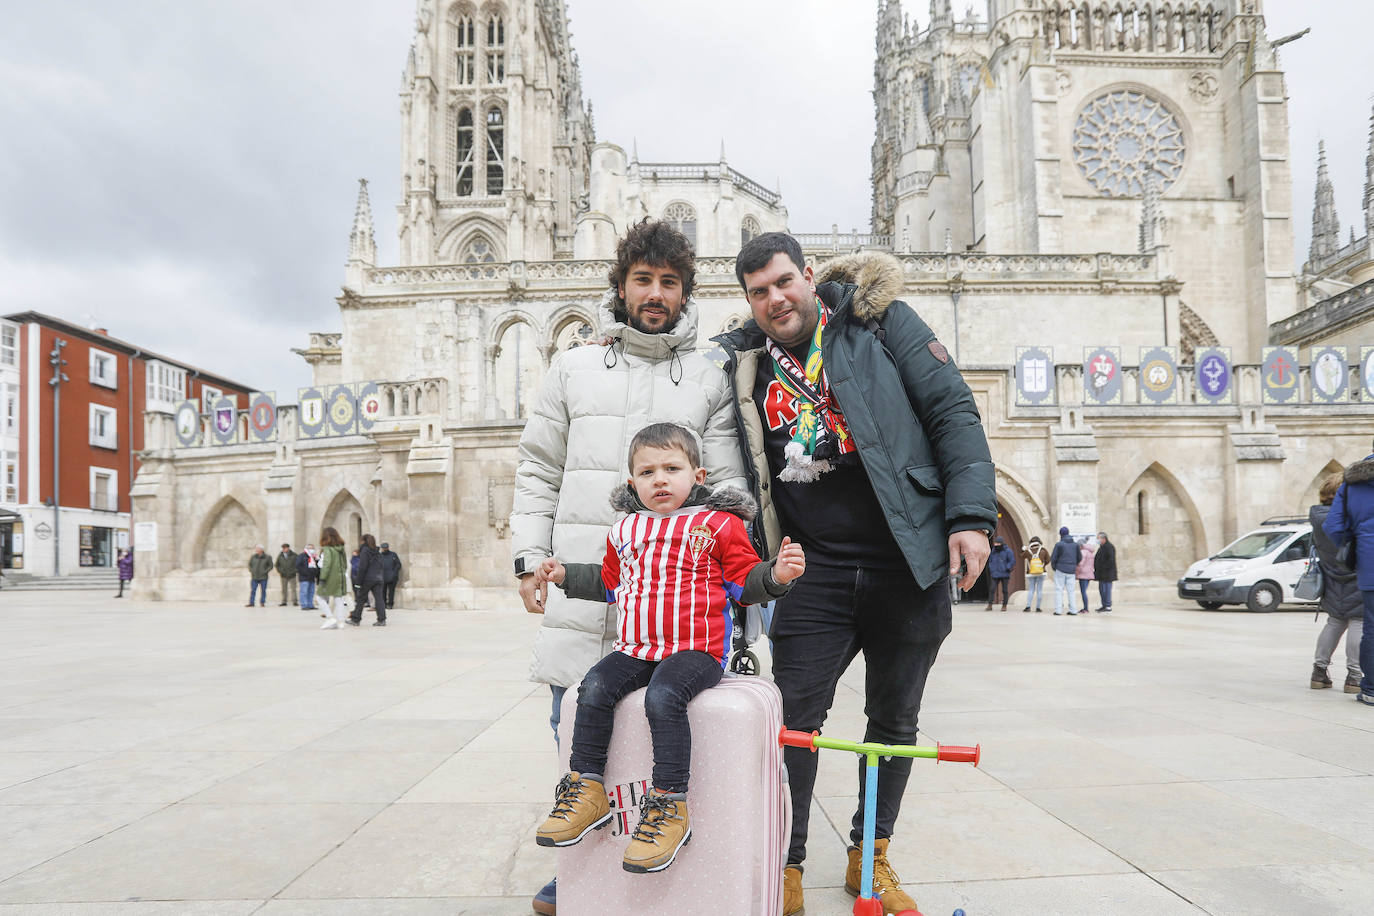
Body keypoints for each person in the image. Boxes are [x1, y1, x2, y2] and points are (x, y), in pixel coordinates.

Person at [714, 232, 996, 916]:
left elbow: (952, 408)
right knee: (793, 718)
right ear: (749, 301)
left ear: (809, 275)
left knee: (893, 721)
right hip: (815, 566)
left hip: (908, 556)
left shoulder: (881, 321)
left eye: (784, 281)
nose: (776, 299)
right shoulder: (740, 357)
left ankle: (870, 858)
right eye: (760, 291)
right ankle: (786, 861)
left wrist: (971, 515)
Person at [509, 219, 745, 915]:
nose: (655, 293)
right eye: (642, 279)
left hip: (679, 604)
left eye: (669, 282)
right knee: (576, 735)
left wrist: (732, 557)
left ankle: (668, 864)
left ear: (684, 292)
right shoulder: (573, 366)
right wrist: (528, 556)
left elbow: (728, 482)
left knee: (669, 731)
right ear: (620, 286)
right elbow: (538, 467)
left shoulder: (708, 374)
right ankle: (578, 877)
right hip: (588, 592)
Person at [532, 423, 805, 873]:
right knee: (594, 687)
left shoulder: (719, 523)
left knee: (664, 697)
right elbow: (610, 584)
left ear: (697, 476)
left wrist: (777, 576)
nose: (660, 479)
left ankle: (668, 804)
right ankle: (588, 788)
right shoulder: (625, 530)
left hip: (695, 651)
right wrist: (564, 575)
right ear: (631, 483)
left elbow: (744, 583)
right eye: (647, 471)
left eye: (671, 468)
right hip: (636, 647)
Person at [1323, 442, 1374, 706]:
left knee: (1371, 628)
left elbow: (1332, 525)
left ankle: (1371, 689)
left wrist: (1353, 548)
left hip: (1370, 565)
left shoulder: (1353, 482)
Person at [1309, 473, 1362, 692]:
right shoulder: (1346, 518)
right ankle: (1354, 675)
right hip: (1356, 575)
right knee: (1359, 622)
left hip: (1331, 577)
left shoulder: (1318, 518)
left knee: (1335, 622)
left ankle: (1319, 671)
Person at [349, 535, 387, 627]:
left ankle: (355, 619)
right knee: (379, 599)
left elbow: (362, 567)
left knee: (361, 598)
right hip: (378, 578)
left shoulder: (365, 551)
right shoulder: (377, 551)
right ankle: (382, 620)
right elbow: (381, 565)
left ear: (363, 541)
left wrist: (358, 581)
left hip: (368, 578)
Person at [316, 527, 348, 629]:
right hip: (340, 577)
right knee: (339, 599)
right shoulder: (341, 549)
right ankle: (340, 622)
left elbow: (327, 564)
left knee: (319, 597)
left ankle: (330, 618)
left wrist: (323, 578)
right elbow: (345, 564)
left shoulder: (327, 549)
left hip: (330, 577)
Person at [1050, 527, 1081, 615]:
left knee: (1059, 590)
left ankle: (1058, 610)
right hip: (1071, 571)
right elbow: (1079, 557)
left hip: (1060, 569)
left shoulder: (1059, 544)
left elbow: (1053, 558)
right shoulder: (1075, 545)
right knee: (1071, 591)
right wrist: (1074, 565)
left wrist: (1055, 567)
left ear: (1061, 534)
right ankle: (1073, 610)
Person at [985, 536, 1014, 611]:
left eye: (998, 543)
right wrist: (991, 568)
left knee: (1004, 590)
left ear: (1002, 543)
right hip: (995, 573)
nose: (996, 545)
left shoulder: (1008, 551)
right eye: (995, 543)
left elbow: (1012, 561)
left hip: (1005, 574)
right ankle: (990, 604)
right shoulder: (993, 551)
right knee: (992, 589)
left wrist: (1007, 568)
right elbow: (990, 560)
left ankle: (1004, 605)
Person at [1021, 536, 1048, 612]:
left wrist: (1023, 549)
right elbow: (1048, 559)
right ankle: (1038, 607)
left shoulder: (1028, 551)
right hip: (1041, 573)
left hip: (1031, 573)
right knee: (1039, 590)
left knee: (1031, 590)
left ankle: (1028, 606)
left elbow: (1021, 556)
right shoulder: (1043, 550)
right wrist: (1042, 565)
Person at [1094, 531, 1117, 612]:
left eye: (1098, 538)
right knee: (1102, 590)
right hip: (1101, 574)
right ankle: (1104, 605)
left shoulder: (1109, 547)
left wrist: (1103, 568)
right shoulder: (1101, 547)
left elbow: (1110, 561)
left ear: (1104, 539)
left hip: (1107, 574)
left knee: (1106, 590)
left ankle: (1107, 606)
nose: (1097, 540)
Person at [1075, 536, 1097, 611]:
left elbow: (1080, 564)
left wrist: (1076, 571)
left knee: (1083, 592)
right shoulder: (1090, 552)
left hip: (1083, 575)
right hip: (1089, 574)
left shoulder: (1083, 552)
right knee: (1084, 591)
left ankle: (1086, 608)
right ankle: (1085, 607)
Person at [295, 544, 320, 611]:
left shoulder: (314, 557)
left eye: (313, 548)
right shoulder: (302, 556)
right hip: (304, 577)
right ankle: (304, 605)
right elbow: (298, 566)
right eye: (310, 548)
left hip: (312, 577)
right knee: (304, 592)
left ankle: (310, 604)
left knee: (311, 592)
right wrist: (304, 572)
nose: (312, 550)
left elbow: (317, 566)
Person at [379, 542, 403, 610]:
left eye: (386, 547)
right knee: (383, 591)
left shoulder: (393, 554)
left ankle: (390, 604)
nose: (385, 549)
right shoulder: (380, 556)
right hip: (383, 577)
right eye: (383, 548)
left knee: (391, 592)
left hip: (392, 577)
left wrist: (394, 572)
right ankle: (383, 604)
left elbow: (398, 565)